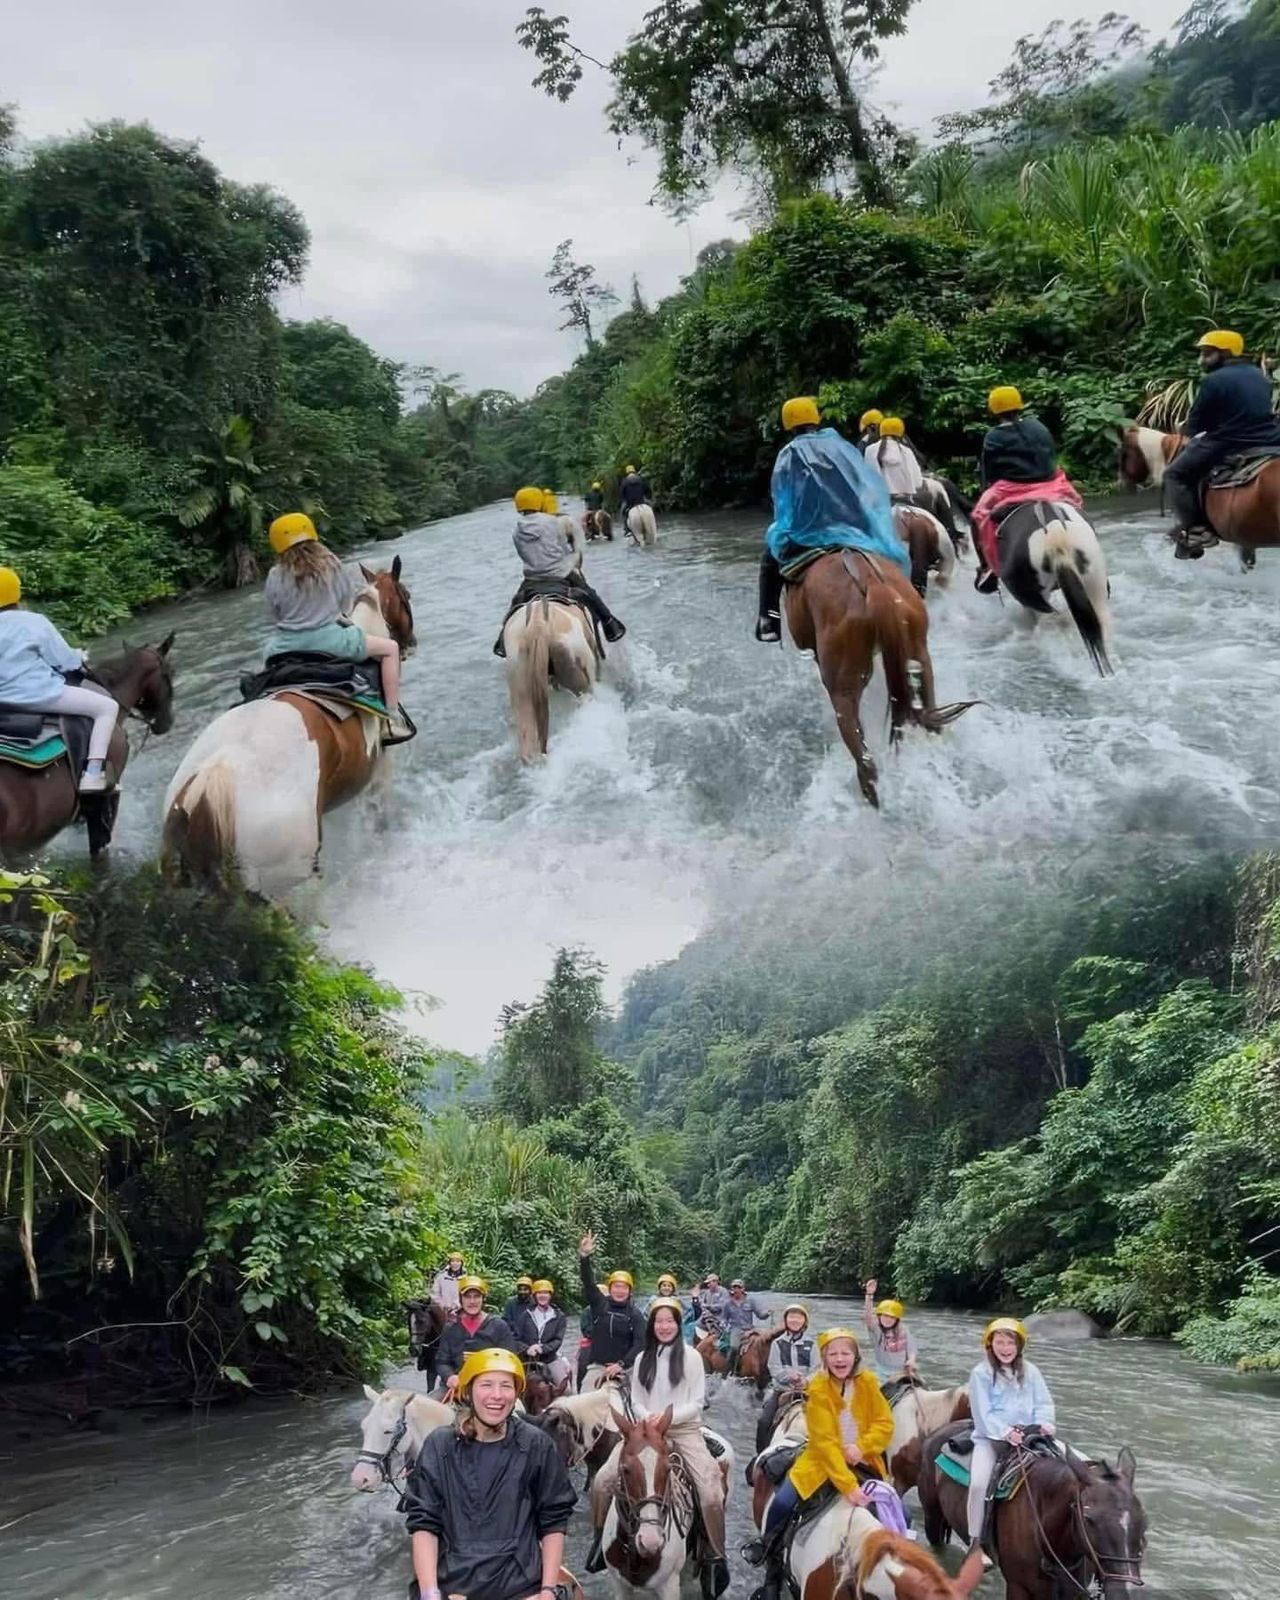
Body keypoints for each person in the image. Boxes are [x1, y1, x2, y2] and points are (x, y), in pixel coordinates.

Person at [402, 1347, 577, 1600]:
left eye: (506, 1386)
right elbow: (424, 1522)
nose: (497, 1396)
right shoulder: (439, 1445)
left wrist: (548, 1590)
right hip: (452, 1585)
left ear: (516, 1393)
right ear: (469, 1390)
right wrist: (430, 1592)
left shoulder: (536, 1444)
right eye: (486, 1385)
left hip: (522, 1586)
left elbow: (554, 1520)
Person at [586, 1298, 729, 1594]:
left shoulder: (690, 1357)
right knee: (602, 1482)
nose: (664, 1326)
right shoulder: (641, 1359)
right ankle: (600, 1542)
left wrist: (668, 1417)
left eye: (670, 1321)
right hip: (644, 1431)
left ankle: (714, 1555)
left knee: (711, 1490)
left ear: (678, 1324)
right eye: (659, 1321)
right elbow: (636, 1397)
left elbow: (698, 1400)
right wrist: (643, 1417)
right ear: (652, 1326)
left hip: (683, 1428)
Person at [744, 1328, 897, 1600]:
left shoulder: (870, 1382)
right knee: (781, 1503)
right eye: (833, 1353)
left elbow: (885, 1423)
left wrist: (861, 1447)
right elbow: (825, 1442)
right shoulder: (817, 1387)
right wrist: (849, 1487)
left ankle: (896, 1576)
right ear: (824, 1358)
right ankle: (772, 1568)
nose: (840, 1359)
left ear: (855, 1356)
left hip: (863, 1460)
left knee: (901, 1516)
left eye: (845, 1353)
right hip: (821, 1462)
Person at [754, 397, 909, 643]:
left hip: (811, 530)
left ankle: (768, 619)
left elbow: (783, 499)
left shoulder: (789, 453)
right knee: (890, 553)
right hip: (854, 525)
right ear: (815, 418)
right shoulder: (840, 446)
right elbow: (861, 484)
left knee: (769, 557)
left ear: (788, 423)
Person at [263, 512, 403, 723]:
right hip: (331, 641)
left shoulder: (275, 574)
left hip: (285, 645)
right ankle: (393, 716)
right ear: (311, 534)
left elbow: (274, 616)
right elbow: (345, 603)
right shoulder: (331, 564)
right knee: (391, 649)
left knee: (263, 674)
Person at [0, 567, 119, 793]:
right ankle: (93, 774)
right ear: (16, 593)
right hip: (38, 696)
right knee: (107, 707)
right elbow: (65, 662)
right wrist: (79, 655)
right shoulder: (32, 621)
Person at [1165, 329, 1280, 558]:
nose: (1202, 359)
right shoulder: (1260, 375)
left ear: (1225, 353)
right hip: (1272, 438)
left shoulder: (1213, 380)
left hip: (1229, 441)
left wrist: (1189, 430)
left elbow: (1198, 422)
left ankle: (1196, 530)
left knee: (1174, 475)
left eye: (1207, 353)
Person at [970, 387, 1082, 591]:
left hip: (1011, 488)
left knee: (978, 515)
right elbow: (1050, 453)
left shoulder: (993, 436)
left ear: (994, 410)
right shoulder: (1037, 426)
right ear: (1019, 405)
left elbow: (989, 472)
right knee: (1076, 503)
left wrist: (986, 486)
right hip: (1051, 483)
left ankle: (989, 568)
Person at [965, 1318, 1056, 1565]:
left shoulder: (1032, 1371)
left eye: (1010, 1342)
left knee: (1069, 1465)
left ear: (1019, 1345)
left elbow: (1044, 1403)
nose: (1005, 1348)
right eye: (1000, 1341)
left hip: (1030, 1437)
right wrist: (1006, 1432)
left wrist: (1045, 1423)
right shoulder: (980, 1373)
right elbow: (983, 1414)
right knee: (979, 1485)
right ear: (990, 1344)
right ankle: (975, 1542)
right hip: (992, 1440)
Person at [493, 487, 625, 657]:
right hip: (560, 573)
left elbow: (523, 554)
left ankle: (502, 641)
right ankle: (610, 624)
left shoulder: (517, 531)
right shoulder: (552, 521)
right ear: (539, 502)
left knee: (515, 604)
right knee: (589, 593)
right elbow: (563, 549)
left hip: (532, 579)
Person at [577, 1231, 646, 1389]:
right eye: (616, 1287)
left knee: (638, 1403)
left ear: (629, 1291)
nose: (620, 1291)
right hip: (598, 1367)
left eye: (624, 1288)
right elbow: (588, 1282)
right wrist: (584, 1257)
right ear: (610, 1288)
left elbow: (640, 1343)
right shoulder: (599, 1304)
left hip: (626, 1369)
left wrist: (621, 1365)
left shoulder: (635, 1315)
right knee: (583, 1399)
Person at [433, 1276, 521, 1398]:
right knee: (425, 1407)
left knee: (517, 1411)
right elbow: (441, 1361)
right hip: (456, 1386)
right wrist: (449, 1376)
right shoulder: (450, 1328)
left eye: (476, 1296)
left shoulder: (499, 1326)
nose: (472, 1301)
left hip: (491, 1387)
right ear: (460, 1299)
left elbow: (510, 1360)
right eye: (467, 1297)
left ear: (483, 1299)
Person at [756, 1303, 817, 1453]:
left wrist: (806, 1381)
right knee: (764, 1421)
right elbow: (774, 1367)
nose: (795, 1320)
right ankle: (760, 1456)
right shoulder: (777, 1343)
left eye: (798, 1317)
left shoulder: (813, 1344)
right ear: (786, 1320)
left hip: (809, 1391)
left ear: (804, 1321)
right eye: (791, 1317)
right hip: (782, 1390)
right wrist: (789, 1376)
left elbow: (818, 1368)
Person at [512, 1279, 572, 1389]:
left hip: (550, 1359)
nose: (542, 1296)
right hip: (527, 1360)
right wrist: (527, 1349)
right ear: (534, 1295)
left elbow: (557, 1340)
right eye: (539, 1293)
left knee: (566, 1389)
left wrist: (543, 1349)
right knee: (514, 1386)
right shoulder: (525, 1315)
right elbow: (516, 1339)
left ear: (550, 1295)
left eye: (546, 1293)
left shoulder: (559, 1317)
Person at [861, 1280, 920, 1390]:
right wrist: (869, 1295)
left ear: (897, 1319)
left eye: (891, 1317)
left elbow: (912, 1349)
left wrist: (911, 1361)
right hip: (882, 1375)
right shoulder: (876, 1330)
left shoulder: (904, 1330)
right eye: (885, 1316)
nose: (887, 1319)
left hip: (903, 1373)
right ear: (879, 1316)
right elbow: (868, 1317)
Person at [864, 416, 925, 502]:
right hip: (904, 499)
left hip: (880, 500)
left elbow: (868, 478)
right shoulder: (906, 451)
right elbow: (918, 482)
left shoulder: (870, 450)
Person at [722, 1279, 771, 1363]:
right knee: (734, 1347)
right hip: (735, 1329)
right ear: (732, 1289)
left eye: (739, 1287)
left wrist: (766, 1313)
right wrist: (723, 1324)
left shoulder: (751, 1301)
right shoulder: (727, 1303)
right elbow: (724, 1318)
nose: (737, 1290)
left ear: (743, 1289)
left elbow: (760, 1315)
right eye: (734, 1288)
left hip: (750, 1329)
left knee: (766, 1341)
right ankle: (730, 1369)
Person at [430, 1250, 466, 1317]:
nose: (455, 1263)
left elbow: (468, 1296)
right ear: (449, 1263)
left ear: (461, 1263)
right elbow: (434, 1295)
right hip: (442, 1312)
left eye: (458, 1261)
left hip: (460, 1312)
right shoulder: (441, 1278)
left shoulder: (466, 1279)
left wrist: (458, 1307)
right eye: (453, 1261)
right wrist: (442, 1306)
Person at [617, 463, 652, 533]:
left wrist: (620, 503)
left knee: (623, 512)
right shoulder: (641, 479)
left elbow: (621, 494)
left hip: (630, 504)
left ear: (627, 472)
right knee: (651, 508)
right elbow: (648, 490)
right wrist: (649, 498)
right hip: (641, 501)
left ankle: (627, 530)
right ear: (634, 471)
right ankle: (652, 524)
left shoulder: (624, 481)